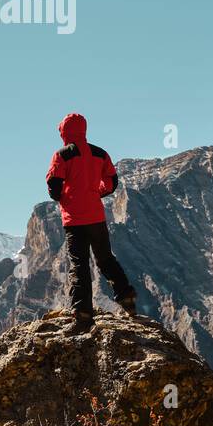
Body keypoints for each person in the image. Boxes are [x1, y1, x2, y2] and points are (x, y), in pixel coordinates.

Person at [45, 113, 137, 325]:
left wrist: (66, 198)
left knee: (79, 265)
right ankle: (127, 297)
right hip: (96, 217)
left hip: (74, 220)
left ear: (63, 131)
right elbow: (112, 182)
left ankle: (83, 313)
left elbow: (54, 186)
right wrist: (95, 193)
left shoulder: (62, 155)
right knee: (106, 259)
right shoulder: (100, 153)